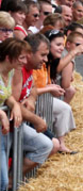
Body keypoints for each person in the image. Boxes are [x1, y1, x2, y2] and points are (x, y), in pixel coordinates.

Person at [14, 33, 58, 174]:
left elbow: (32, 86)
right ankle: (9, 183)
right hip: (7, 127)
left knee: (46, 145)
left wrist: (32, 99)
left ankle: (11, 183)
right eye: (42, 55)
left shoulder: (30, 68)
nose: (45, 59)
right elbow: (13, 103)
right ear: (29, 53)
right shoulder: (17, 70)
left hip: (17, 125)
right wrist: (35, 119)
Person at [0, 38, 26, 191]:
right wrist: (2, 114)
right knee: (2, 181)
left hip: (2, 132)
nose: (25, 61)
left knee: (2, 181)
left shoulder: (9, 73)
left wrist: (14, 105)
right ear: (9, 57)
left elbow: (6, 95)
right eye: (21, 57)